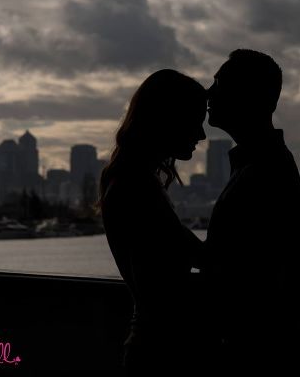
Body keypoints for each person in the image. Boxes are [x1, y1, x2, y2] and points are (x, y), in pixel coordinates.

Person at [203, 49, 300, 376]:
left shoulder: (263, 172)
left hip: (255, 356)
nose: (209, 92)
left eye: (219, 82)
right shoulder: (265, 164)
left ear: (245, 96)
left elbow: (263, 273)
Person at [97, 69, 211, 375]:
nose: (202, 135)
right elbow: (173, 278)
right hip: (162, 351)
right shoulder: (138, 187)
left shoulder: (131, 180)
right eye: (195, 120)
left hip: (152, 344)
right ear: (168, 119)